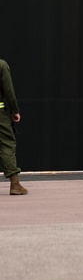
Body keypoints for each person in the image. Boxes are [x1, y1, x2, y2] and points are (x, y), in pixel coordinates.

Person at [0, 57, 27, 195]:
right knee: (7, 144)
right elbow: (9, 90)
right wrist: (15, 110)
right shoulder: (1, 65)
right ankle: (15, 184)